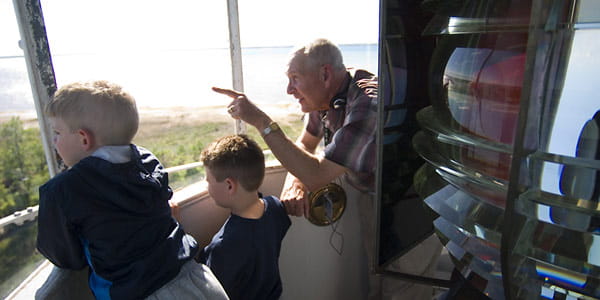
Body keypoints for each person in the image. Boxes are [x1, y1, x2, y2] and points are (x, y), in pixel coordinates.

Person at [213, 38, 442, 299]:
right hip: (374, 197)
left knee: (406, 286)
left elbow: (316, 174)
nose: (289, 89)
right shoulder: (324, 100)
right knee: (377, 278)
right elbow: (306, 143)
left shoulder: (369, 105)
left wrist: (260, 120)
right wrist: (295, 183)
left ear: (324, 74)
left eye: (295, 78)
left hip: (412, 203)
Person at [36, 80, 228, 300]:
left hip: (141, 293)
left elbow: (65, 256)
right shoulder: (147, 161)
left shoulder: (62, 190)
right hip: (199, 279)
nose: (54, 141)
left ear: (84, 138)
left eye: (57, 132)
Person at [198, 134, 291, 300]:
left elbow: (210, 291)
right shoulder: (275, 207)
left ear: (229, 185)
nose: (207, 187)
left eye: (208, 181)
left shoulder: (223, 246)